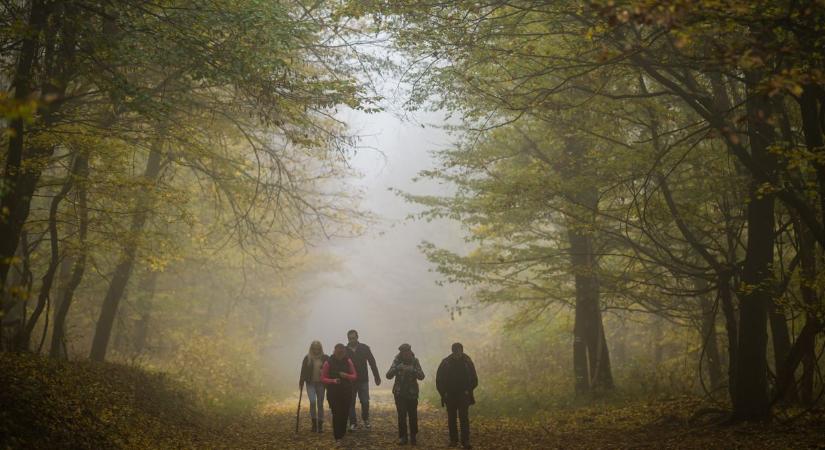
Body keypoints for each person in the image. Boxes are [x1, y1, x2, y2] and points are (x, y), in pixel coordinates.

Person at [436, 342, 478, 449]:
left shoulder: (467, 361)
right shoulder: (445, 362)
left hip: (464, 395)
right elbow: (439, 380)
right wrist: (443, 393)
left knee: (464, 418)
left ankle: (465, 441)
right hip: (450, 395)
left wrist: (468, 390)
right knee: (452, 418)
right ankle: (453, 440)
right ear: (452, 350)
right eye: (456, 350)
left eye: (459, 350)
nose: (457, 352)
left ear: (462, 350)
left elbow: (474, 379)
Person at [386, 343, 425, 445]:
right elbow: (388, 375)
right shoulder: (397, 360)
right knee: (401, 415)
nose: (406, 354)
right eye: (403, 352)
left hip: (412, 393)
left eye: (407, 351)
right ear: (401, 352)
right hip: (399, 393)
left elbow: (422, 376)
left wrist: (412, 370)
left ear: (410, 351)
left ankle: (413, 436)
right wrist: (398, 368)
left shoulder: (415, 361)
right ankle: (403, 437)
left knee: (413, 415)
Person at [321, 343, 358, 445]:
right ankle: (338, 437)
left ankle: (342, 434)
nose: (340, 353)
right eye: (338, 352)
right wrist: (333, 381)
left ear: (344, 352)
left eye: (342, 352)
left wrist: (346, 376)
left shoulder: (348, 361)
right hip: (333, 393)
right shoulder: (328, 362)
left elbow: (354, 376)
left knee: (345, 414)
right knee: (337, 414)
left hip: (347, 392)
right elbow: (323, 378)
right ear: (334, 351)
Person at [345, 329, 381, 430]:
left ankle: (365, 419)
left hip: (363, 379)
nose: (352, 340)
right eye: (350, 338)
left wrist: (376, 376)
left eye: (353, 338)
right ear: (348, 339)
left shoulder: (364, 348)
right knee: (350, 402)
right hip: (350, 381)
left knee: (365, 401)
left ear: (357, 337)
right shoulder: (344, 350)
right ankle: (353, 422)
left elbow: (372, 362)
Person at [299, 340, 329, 433]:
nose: (316, 350)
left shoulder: (325, 358)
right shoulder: (307, 358)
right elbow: (303, 371)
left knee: (320, 404)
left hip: (321, 383)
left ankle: (320, 425)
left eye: (318, 348)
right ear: (311, 348)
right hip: (310, 383)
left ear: (320, 348)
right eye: (314, 348)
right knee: (312, 401)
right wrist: (301, 382)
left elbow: (330, 369)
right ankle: (314, 423)